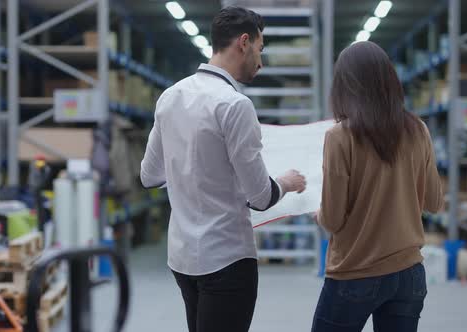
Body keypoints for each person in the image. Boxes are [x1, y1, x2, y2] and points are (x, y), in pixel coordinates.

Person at [140, 6, 307, 332]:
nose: (261, 62)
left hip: (183, 259)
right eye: (260, 49)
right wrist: (285, 182)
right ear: (243, 42)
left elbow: (149, 176)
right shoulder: (234, 105)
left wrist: (190, 171)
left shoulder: (170, 97)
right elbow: (260, 197)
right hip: (226, 259)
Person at [311, 41, 444, 332]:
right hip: (409, 274)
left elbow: (332, 220)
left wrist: (317, 212)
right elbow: (435, 201)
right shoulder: (418, 130)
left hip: (355, 273)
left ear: (345, 86)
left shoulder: (339, 137)